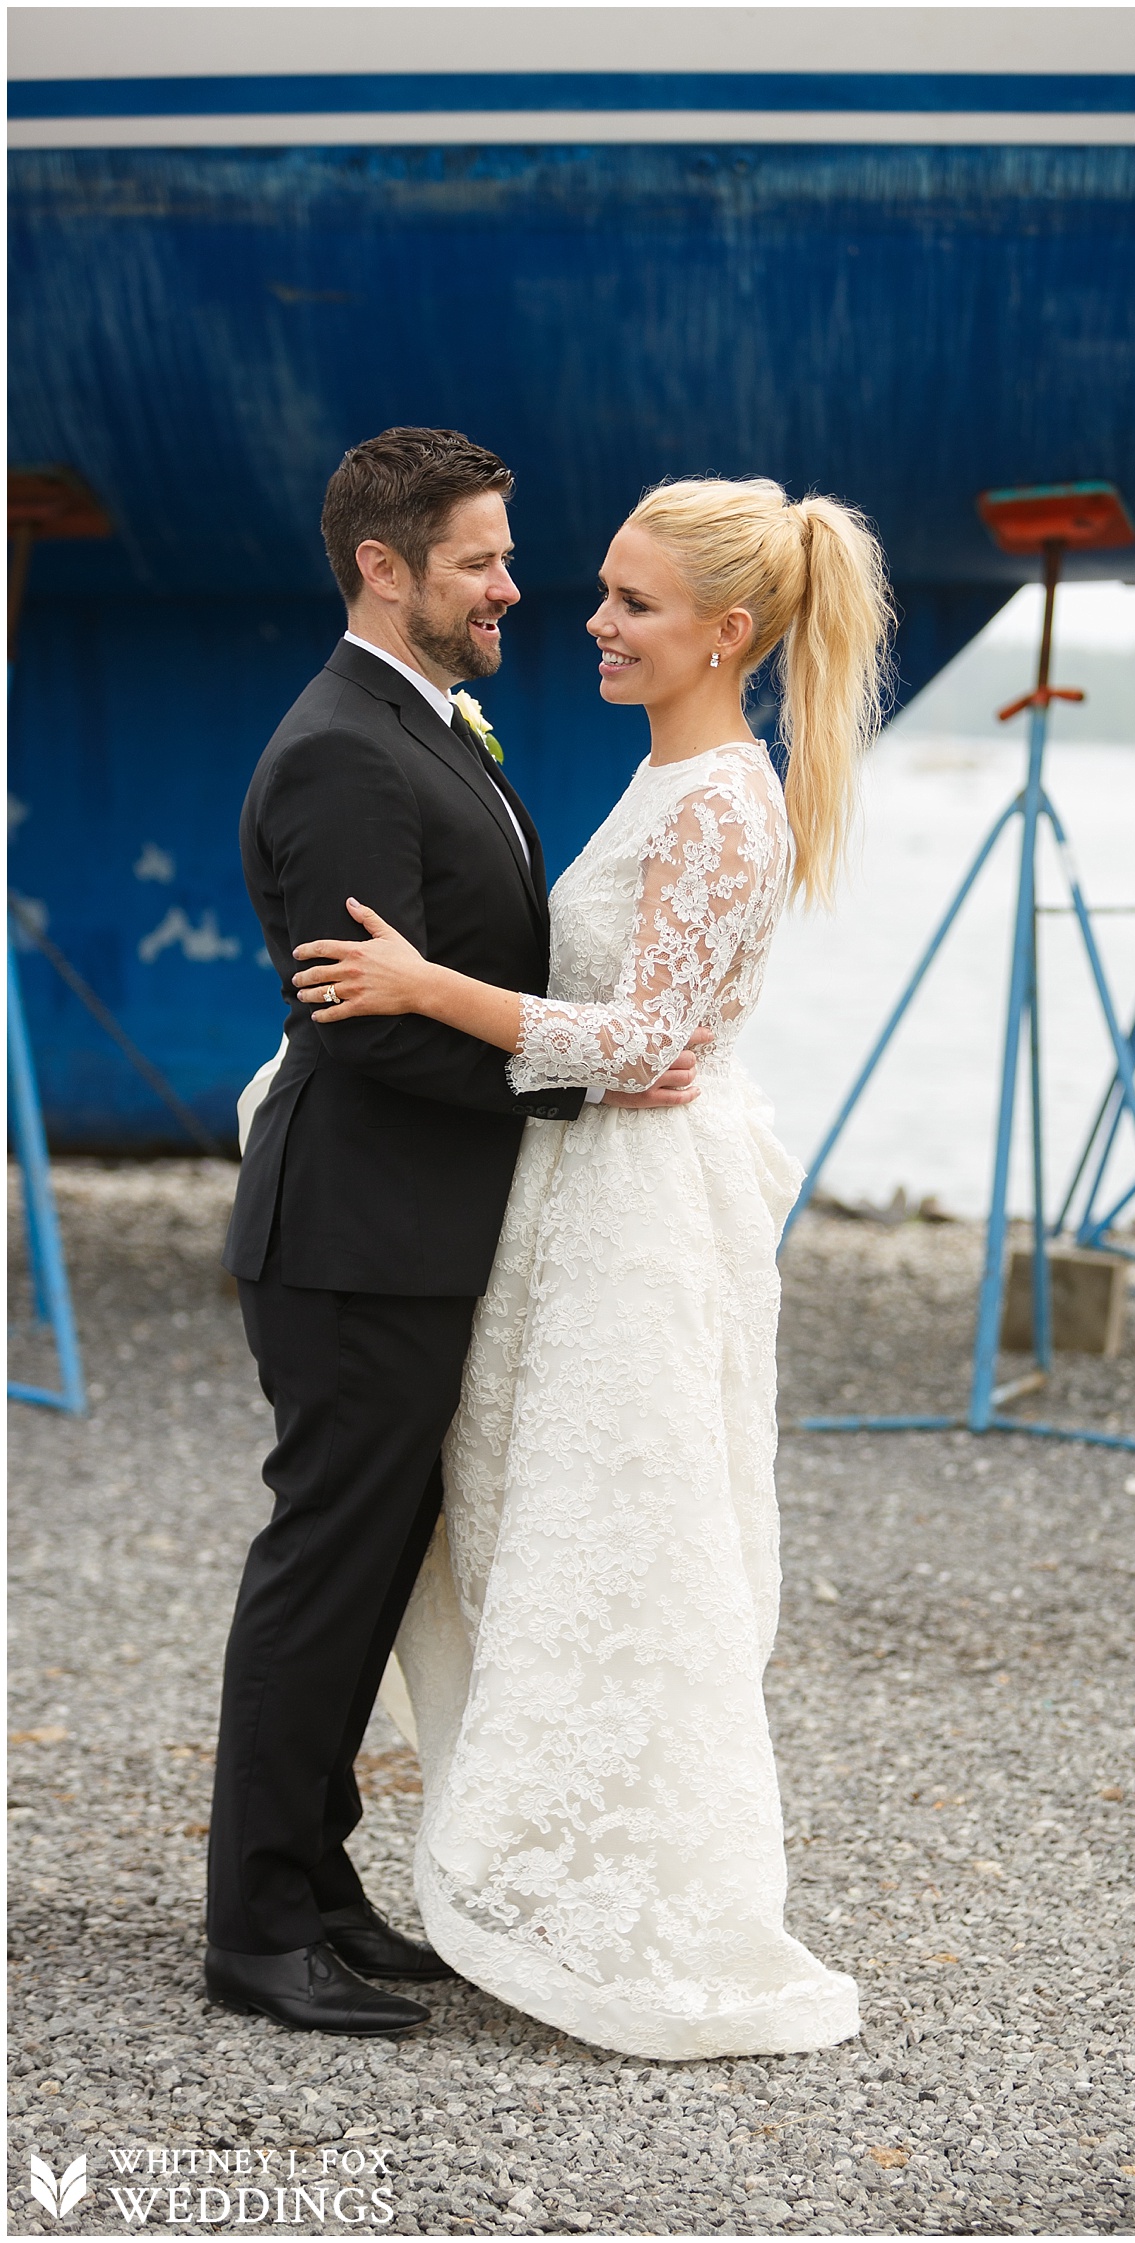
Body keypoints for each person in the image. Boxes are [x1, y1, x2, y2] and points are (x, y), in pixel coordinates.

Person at [289, 474, 894, 2059]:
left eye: (631, 602)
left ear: (728, 634)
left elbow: (652, 1044)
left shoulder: (720, 803)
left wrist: (427, 988)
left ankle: (629, 1901)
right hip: (577, 1200)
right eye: (602, 591)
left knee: (624, 1544)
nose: (592, 620)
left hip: (634, 1221)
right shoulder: (671, 776)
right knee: (537, 1533)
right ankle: (525, 1866)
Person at [208, 428, 701, 2038]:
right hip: (353, 1241)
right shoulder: (343, 753)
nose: (512, 585)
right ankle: (255, 1926)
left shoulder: (421, 725)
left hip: (408, 1235)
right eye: (481, 560)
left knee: (363, 1580)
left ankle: (316, 1878)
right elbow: (364, 1028)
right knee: (322, 1570)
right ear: (384, 567)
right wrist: (574, 1091)